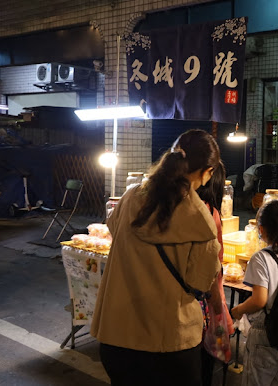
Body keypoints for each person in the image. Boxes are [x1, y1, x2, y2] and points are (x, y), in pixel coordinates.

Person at [91, 129, 222, 386]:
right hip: (169, 343)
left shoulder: (130, 198)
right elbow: (200, 284)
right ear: (208, 172)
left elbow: (114, 230)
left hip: (116, 336)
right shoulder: (202, 223)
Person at [230, 200, 278, 386]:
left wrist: (238, 310)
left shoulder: (260, 258)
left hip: (266, 334)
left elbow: (259, 300)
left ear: (261, 230)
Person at [196, 161, 234, 386]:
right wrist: (218, 304)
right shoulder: (209, 211)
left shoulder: (187, 206)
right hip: (204, 294)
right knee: (205, 352)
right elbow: (211, 264)